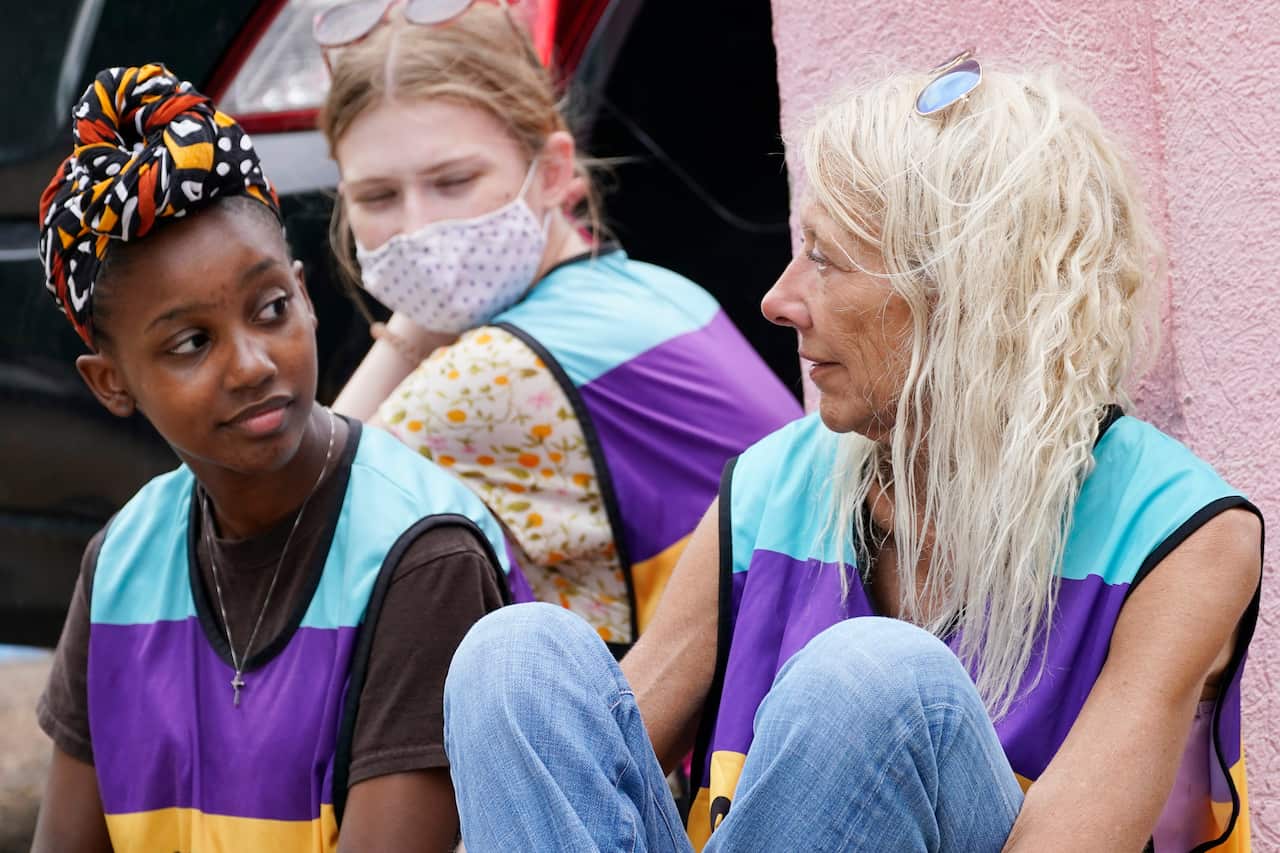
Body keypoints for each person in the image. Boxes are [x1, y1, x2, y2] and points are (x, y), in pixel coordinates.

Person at [441, 56, 1265, 852]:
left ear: (968, 296)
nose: (779, 299)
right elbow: (584, 784)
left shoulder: (1179, 536)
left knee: (876, 679)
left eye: (826, 259)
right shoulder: (773, 485)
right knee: (516, 658)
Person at [30, 64, 525, 852]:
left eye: (271, 309)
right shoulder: (122, 560)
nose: (254, 363)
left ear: (303, 291)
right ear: (111, 382)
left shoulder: (424, 558)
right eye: (192, 342)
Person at [319, 1, 801, 652]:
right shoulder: (652, 290)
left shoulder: (493, 374)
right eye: (377, 197)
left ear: (551, 172)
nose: (418, 226)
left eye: (454, 181)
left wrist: (411, 328)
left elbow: (295, 533)